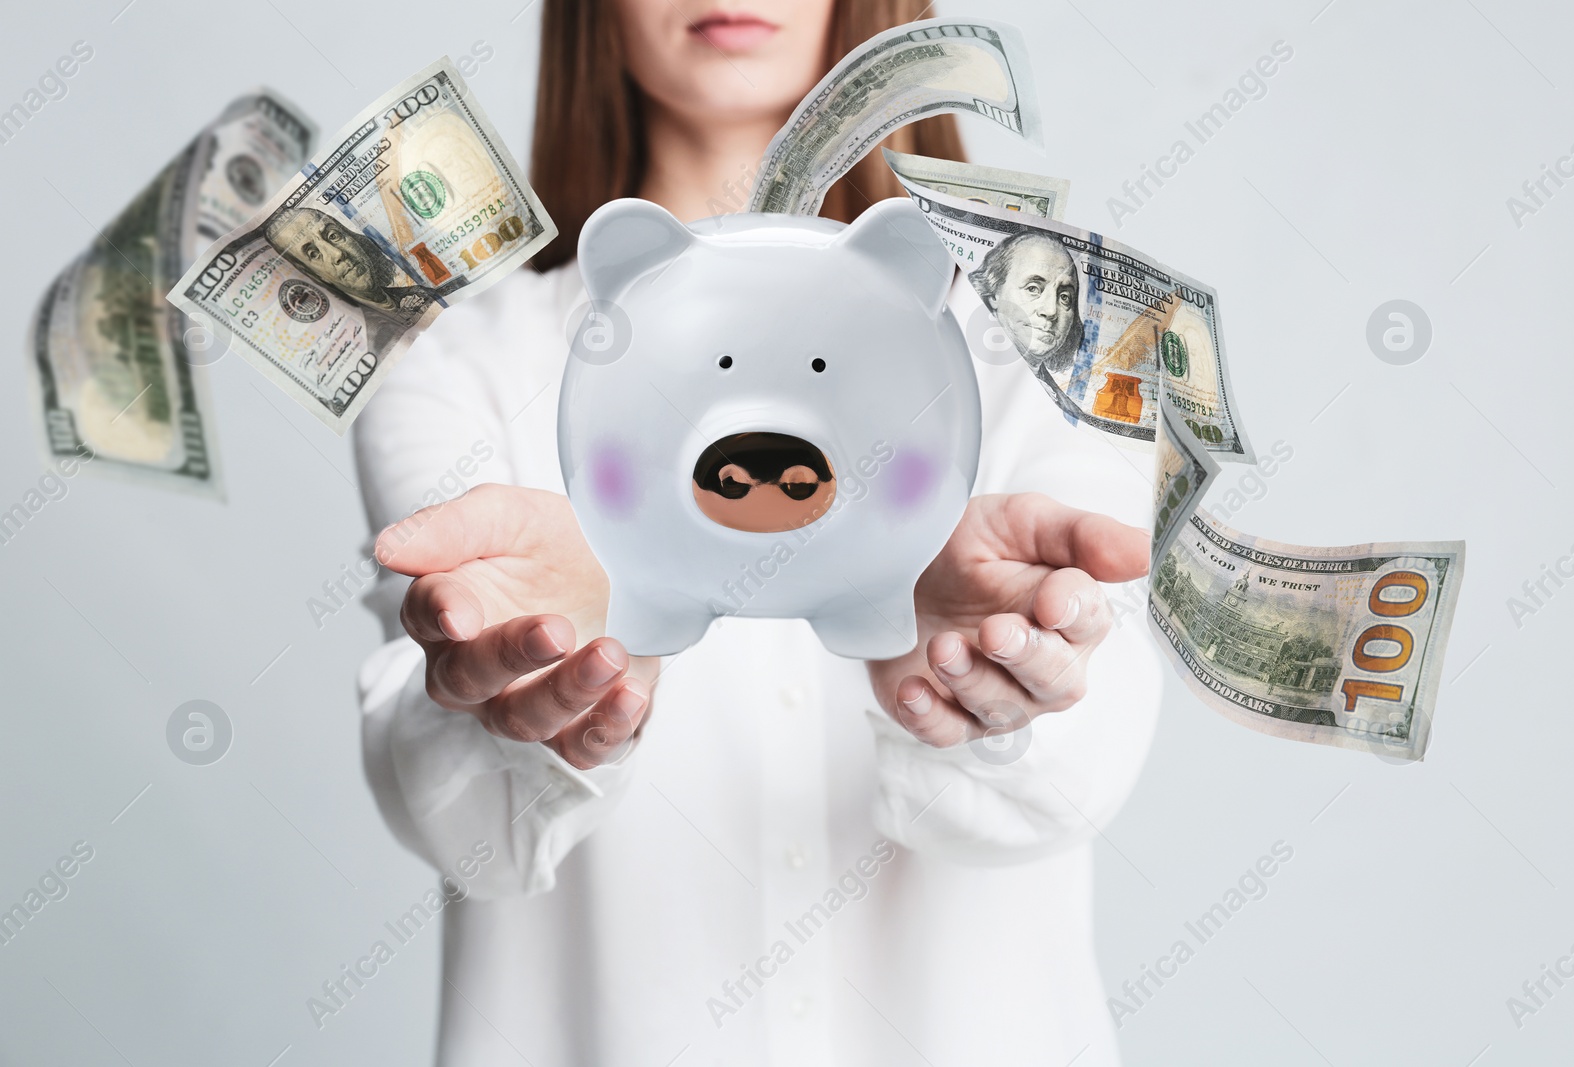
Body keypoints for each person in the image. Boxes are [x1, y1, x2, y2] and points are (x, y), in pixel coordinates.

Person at [353, 1, 1161, 1064]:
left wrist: (993, 689)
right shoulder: (455, 366)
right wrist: (531, 698)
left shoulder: (1052, 356)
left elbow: (1075, 779)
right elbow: (462, 829)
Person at [264, 205, 439, 349]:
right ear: (310, 274)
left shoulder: (420, 293)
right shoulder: (363, 342)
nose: (338, 253)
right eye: (314, 253)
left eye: (333, 235)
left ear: (351, 236)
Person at [969, 230, 1085, 377]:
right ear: (993, 294)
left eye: (1064, 297)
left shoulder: (1062, 399)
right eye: (1033, 288)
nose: (1051, 311)